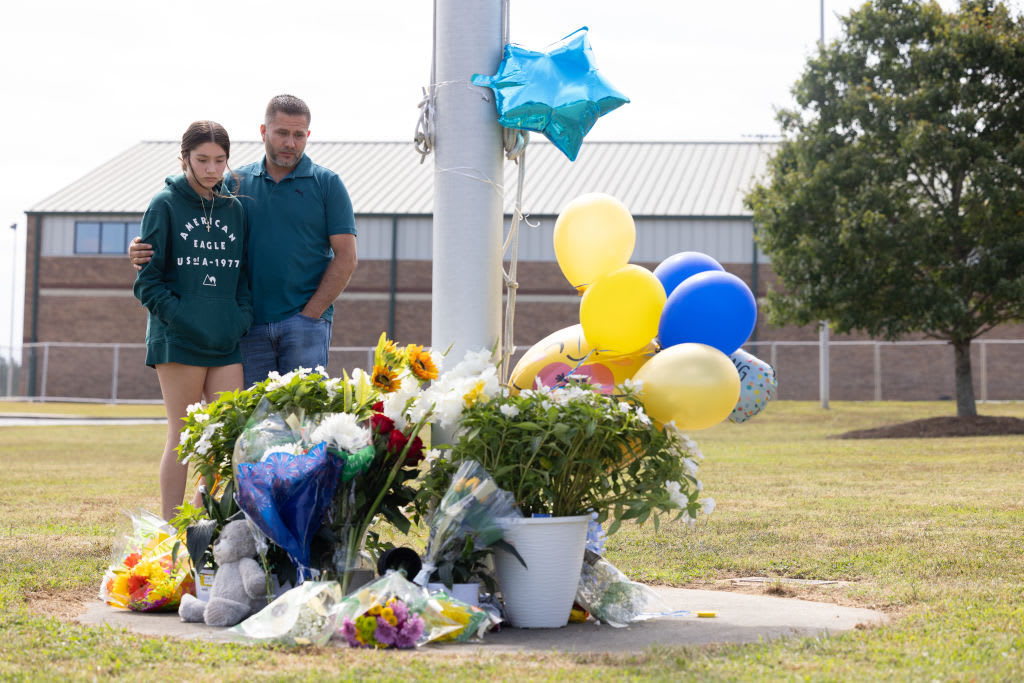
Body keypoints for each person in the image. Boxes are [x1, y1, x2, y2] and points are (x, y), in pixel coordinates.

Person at [131, 95, 358, 388]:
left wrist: (309, 316)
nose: (290, 142)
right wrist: (142, 246)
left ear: (307, 136)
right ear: (264, 132)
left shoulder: (327, 184)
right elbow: (188, 219)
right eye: (282, 133)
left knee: (303, 423)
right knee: (253, 427)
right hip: (248, 329)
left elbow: (346, 257)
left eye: (298, 135)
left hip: (305, 326)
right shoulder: (234, 184)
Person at [133, 121, 252, 521]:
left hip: (225, 342)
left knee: (222, 440)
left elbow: (245, 280)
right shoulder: (164, 204)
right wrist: (183, 319)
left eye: (220, 161)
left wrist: (239, 319)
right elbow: (147, 283)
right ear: (184, 158)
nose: (212, 169)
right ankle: (171, 531)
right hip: (178, 341)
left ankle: (205, 529)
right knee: (183, 437)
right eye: (202, 160)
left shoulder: (235, 210)